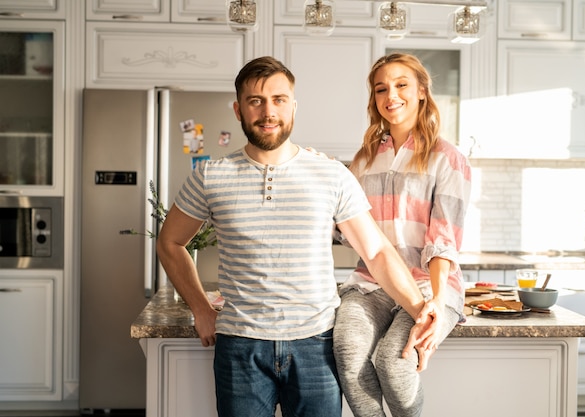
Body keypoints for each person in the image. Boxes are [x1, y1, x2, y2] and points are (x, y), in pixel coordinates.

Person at [156, 56, 435, 417]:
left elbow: (377, 251)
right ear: (238, 110)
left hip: (316, 344)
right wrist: (200, 307)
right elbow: (169, 242)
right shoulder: (211, 175)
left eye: (279, 99)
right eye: (255, 101)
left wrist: (419, 310)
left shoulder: (331, 174)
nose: (268, 111)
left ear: (293, 106)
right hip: (240, 344)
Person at [333, 53, 472, 417]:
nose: (390, 95)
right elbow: (350, 232)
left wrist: (438, 305)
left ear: (422, 92)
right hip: (372, 283)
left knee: (394, 364)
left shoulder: (447, 157)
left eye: (401, 85)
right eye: (381, 89)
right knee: (348, 353)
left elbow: (443, 242)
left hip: (430, 285)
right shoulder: (362, 161)